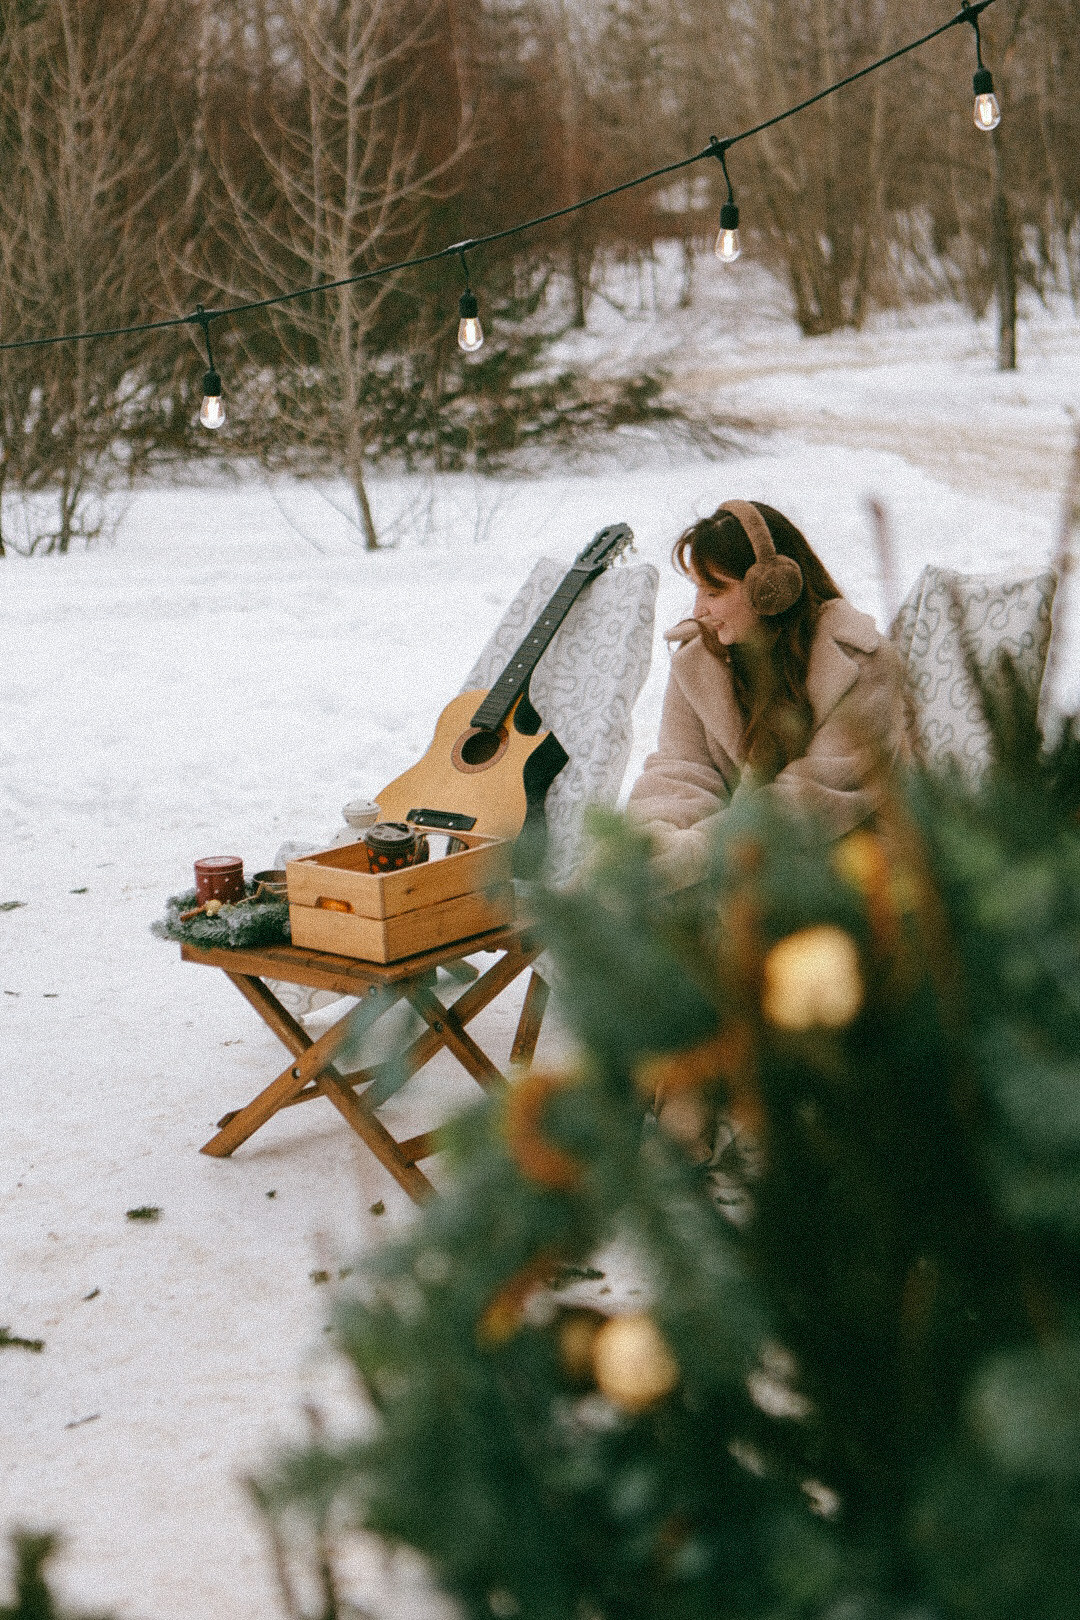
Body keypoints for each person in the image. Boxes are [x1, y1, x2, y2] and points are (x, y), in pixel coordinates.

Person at [627, 499, 907, 887]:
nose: (699, 609)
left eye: (714, 591)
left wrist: (692, 853)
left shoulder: (860, 663)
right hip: (733, 871)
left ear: (770, 588)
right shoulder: (699, 659)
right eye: (697, 590)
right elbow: (681, 770)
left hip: (851, 876)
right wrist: (652, 841)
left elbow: (814, 800)